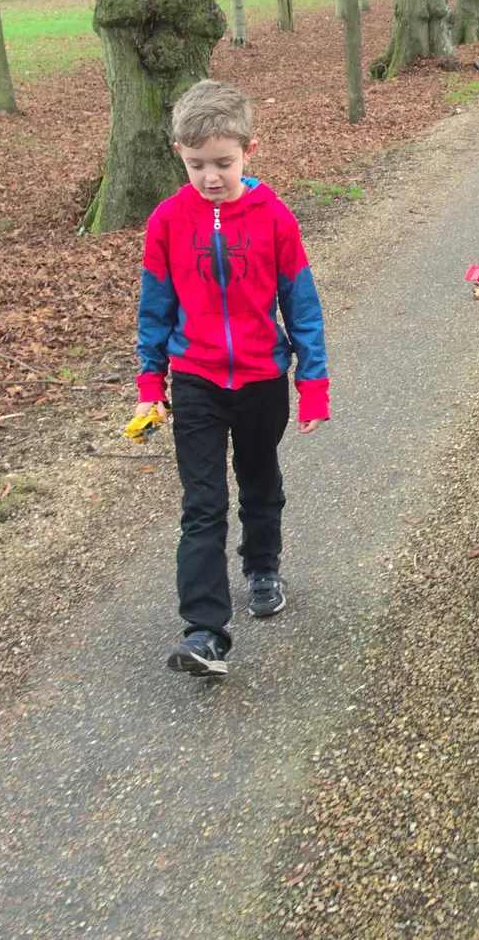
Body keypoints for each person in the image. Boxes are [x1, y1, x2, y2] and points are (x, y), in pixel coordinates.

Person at [129, 79, 330, 677]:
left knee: (259, 481)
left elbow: (302, 304)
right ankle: (204, 630)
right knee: (203, 503)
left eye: (223, 163)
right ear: (178, 154)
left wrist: (312, 383)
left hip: (263, 379)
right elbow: (155, 306)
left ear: (249, 150)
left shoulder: (274, 218)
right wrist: (150, 383)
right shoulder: (167, 221)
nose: (210, 177)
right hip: (195, 379)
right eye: (196, 165)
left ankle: (262, 564)